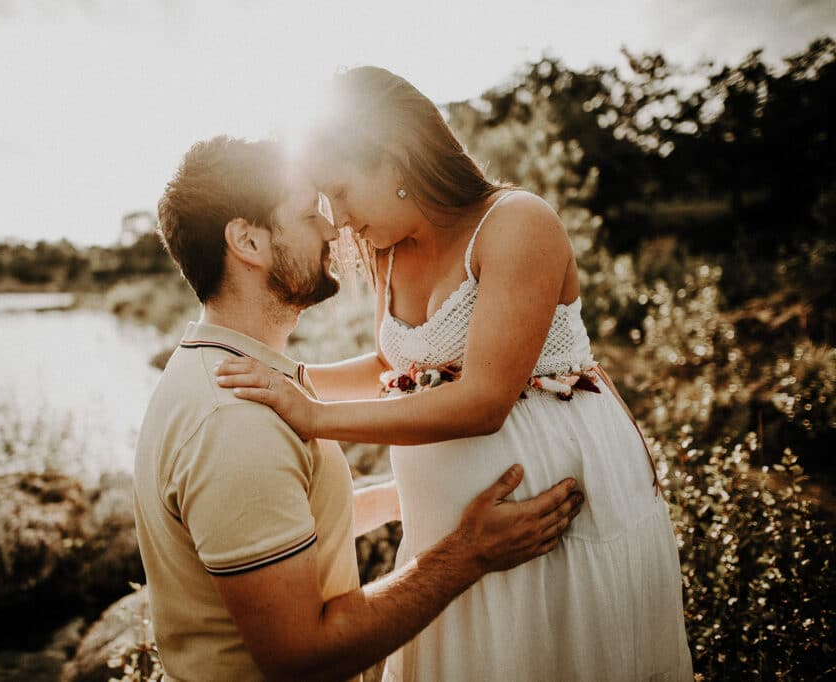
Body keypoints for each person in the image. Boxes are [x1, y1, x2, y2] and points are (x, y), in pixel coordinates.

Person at [215, 67, 694, 680]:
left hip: (561, 529)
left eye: (339, 189)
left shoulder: (518, 222)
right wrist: (290, 377)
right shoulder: (391, 251)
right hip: (452, 532)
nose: (336, 219)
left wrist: (313, 417)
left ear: (394, 161)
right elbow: (397, 364)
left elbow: (484, 401)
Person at [133, 135, 585, 682]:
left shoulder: (218, 374)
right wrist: (469, 553)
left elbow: (302, 527)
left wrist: (411, 498)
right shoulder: (235, 421)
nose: (331, 228)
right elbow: (305, 656)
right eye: (307, 212)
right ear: (247, 241)